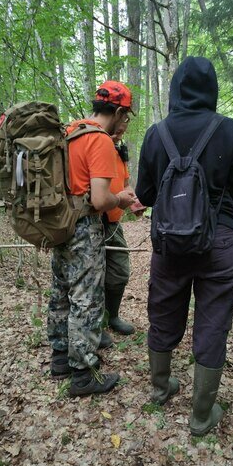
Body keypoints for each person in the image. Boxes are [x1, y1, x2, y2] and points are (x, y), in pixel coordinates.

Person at [135, 56, 233, 435]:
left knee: (163, 308)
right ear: (212, 90)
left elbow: (145, 194)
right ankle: (201, 416)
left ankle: (160, 387)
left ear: (175, 90)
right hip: (219, 242)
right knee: (213, 322)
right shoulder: (229, 130)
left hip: (169, 244)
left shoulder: (157, 134)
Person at [47, 81, 136, 396]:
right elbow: (99, 199)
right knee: (86, 297)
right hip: (84, 227)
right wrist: (121, 199)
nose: (126, 124)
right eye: (127, 117)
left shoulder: (70, 131)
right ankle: (83, 374)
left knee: (60, 289)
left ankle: (59, 357)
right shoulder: (98, 139)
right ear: (119, 111)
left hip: (60, 222)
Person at [102, 122, 136, 338]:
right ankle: (97, 324)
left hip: (114, 224)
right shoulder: (94, 144)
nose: (118, 135)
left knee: (120, 272)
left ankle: (112, 316)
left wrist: (134, 202)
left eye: (122, 132)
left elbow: (125, 184)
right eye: (116, 131)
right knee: (94, 277)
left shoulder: (118, 151)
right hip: (92, 222)